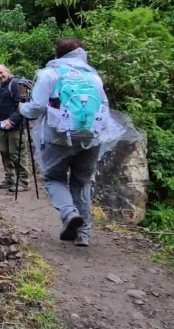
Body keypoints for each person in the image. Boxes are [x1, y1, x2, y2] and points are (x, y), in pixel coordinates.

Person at [19, 38, 111, 248]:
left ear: (57, 54)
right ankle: (84, 234)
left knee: (54, 178)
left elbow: (36, 108)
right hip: (91, 138)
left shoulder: (49, 74)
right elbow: (104, 106)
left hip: (58, 138)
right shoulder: (93, 77)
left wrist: (21, 109)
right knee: (82, 182)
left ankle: (69, 213)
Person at [0, 64, 29, 192]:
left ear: (7, 72)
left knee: (17, 154)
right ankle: (9, 179)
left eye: (1, 73)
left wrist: (12, 120)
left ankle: (23, 182)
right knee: (5, 152)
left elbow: (23, 106)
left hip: (16, 126)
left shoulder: (15, 84)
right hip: (2, 125)